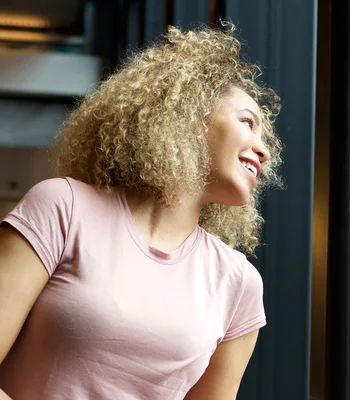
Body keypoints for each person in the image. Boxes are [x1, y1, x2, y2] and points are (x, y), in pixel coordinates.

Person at [0, 22, 282, 400]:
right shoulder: (61, 208)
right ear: (187, 116)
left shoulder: (238, 282)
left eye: (265, 136)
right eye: (247, 122)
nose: (264, 149)